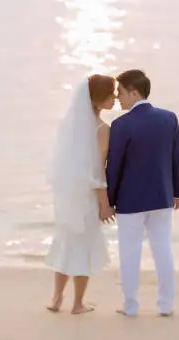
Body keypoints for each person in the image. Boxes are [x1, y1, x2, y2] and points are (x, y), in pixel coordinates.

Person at [106, 69, 179, 317]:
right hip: (162, 196)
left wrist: (109, 201)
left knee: (130, 253)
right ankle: (167, 305)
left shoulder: (121, 124)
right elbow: (176, 159)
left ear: (134, 92)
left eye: (120, 92)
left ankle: (131, 307)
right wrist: (178, 191)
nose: (118, 97)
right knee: (163, 250)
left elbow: (114, 166)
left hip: (130, 201)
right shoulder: (169, 118)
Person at [45, 74, 116, 314]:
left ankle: (56, 298)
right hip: (87, 197)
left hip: (68, 196)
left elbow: (68, 164)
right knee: (83, 247)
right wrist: (105, 204)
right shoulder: (101, 129)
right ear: (98, 98)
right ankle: (77, 304)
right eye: (111, 93)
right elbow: (96, 170)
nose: (115, 98)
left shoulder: (70, 125)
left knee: (67, 244)